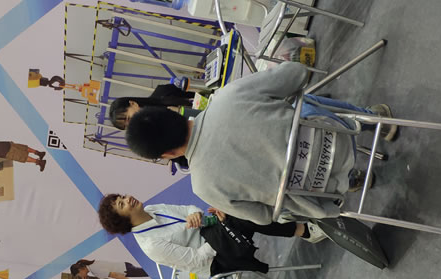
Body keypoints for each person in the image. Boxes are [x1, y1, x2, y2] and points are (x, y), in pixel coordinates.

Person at [125, 61, 396, 224]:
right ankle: (374, 121)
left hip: (324, 192)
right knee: (300, 103)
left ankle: (353, 179)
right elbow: (298, 73)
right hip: (338, 135)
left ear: (167, 155)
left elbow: (264, 217)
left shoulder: (203, 187)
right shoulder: (227, 97)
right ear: (173, 112)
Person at [97, 195, 323, 277]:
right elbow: (197, 259)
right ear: (123, 220)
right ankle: (303, 231)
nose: (128, 199)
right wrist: (222, 228)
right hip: (214, 260)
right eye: (122, 204)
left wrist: (198, 215)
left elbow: (188, 209)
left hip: (210, 232)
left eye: (122, 197)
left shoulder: (152, 208)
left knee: (230, 203)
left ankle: (287, 218)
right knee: (237, 218)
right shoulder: (150, 244)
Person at [69, 259, 147, 279]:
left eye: (79, 275)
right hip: (125, 267)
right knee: (148, 272)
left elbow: (115, 275)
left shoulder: (95, 270)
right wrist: (84, 276)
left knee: (149, 272)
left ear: (80, 270)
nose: (80, 277)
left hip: (126, 270)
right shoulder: (91, 266)